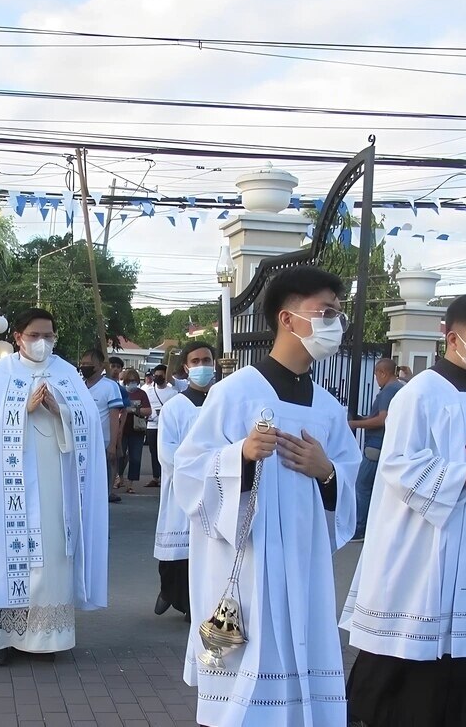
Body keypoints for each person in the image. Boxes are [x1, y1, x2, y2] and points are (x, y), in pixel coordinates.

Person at [173, 266, 358, 726]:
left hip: (305, 559)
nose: (335, 323)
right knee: (247, 676)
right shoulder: (236, 392)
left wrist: (327, 471)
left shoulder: (328, 407)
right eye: (325, 312)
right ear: (288, 319)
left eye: (338, 313)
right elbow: (190, 473)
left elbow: (348, 479)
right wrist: (240, 456)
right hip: (249, 560)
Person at [341, 293, 466, 727]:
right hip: (421, 543)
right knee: (413, 643)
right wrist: (465, 476)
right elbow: (398, 465)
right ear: (450, 335)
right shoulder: (418, 394)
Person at [0, 308, 108, 666]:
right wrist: (21, 410)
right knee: (5, 559)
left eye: (49, 336)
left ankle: (44, 638)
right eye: (35, 336)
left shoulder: (66, 374)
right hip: (5, 492)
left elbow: (90, 421)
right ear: (18, 337)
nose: (42, 343)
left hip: (54, 486)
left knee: (51, 559)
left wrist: (61, 409)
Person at [152, 341, 215, 620]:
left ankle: (196, 605)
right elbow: (167, 452)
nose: (203, 366)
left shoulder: (222, 402)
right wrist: (198, 471)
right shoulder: (175, 408)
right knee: (178, 553)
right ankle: (170, 591)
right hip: (183, 488)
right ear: (185, 368)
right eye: (197, 361)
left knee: (209, 552)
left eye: (207, 360)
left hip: (216, 487)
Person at [347, 358, 404, 541]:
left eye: (376, 375)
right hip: (389, 445)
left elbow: (382, 419)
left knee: (362, 485)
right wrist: (363, 418)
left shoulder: (388, 391)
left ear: (382, 373)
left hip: (376, 445)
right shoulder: (401, 387)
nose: (377, 380)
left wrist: (354, 424)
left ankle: (360, 528)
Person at [79, 349, 123, 501]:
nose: (84, 367)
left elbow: (113, 416)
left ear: (100, 366)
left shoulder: (110, 387)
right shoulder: (78, 385)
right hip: (81, 444)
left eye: (89, 364)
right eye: (83, 363)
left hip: (101, 444)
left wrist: (112, 444)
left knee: (100, 484)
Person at [144, 364, 178, 490]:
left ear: (165, 375)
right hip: (152, 425)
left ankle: (168, 475)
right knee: (154, 452)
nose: (157, 377)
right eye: (156, 375)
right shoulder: (149, 391)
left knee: (167, 451)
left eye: (160, 375)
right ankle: (155, 476)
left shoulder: (173, 392)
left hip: (166, 426)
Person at [118, 370, 151, 491]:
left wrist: (133, 410)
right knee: (119, 456)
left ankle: (130, 483)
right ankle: (119, 477)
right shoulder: (120, 392)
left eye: (134, 381)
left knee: (135, 457)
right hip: (121, 428)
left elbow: (148, 411)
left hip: (137, 430)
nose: (132, 383)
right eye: (129, 381)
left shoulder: (141, 394)